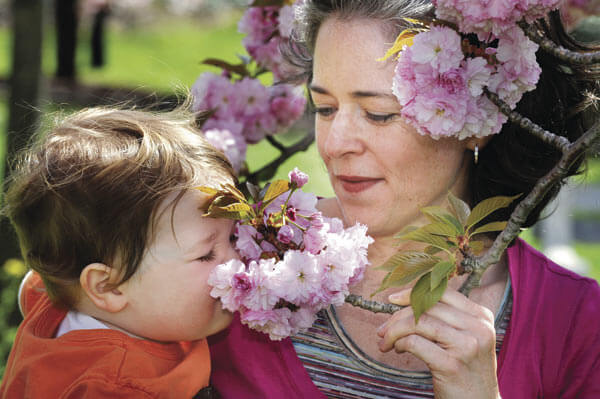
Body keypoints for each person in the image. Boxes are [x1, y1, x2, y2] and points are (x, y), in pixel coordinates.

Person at [207, 1, 600, 398]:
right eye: (325, 108)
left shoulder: (572, 321)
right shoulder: (236, 268)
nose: (335, 143)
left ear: (477, 119)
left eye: (379, 114)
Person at [0, 107, 238, 398]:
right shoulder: (120, 385)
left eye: (233, 237)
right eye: (206, 255)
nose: (235, 262)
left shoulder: (58, 297)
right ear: (108, 287)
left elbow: (34, 284)